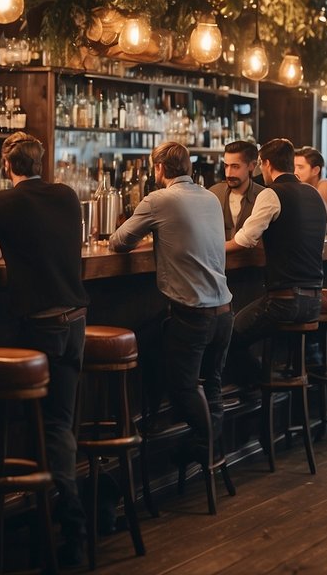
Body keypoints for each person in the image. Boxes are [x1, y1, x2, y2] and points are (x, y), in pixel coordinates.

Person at [0, 131, 90, 562]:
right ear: (40, 163)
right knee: (59, 426)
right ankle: (70, 525)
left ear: (6, 165)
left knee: (35, 423)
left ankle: (41, 514)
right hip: (77, 322)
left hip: (41, 327)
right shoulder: (67, 195)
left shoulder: (2, 203)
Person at [110, 141, 234, 464]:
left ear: (160, 168)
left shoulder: (158, 200)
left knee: (181, 387)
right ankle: (211, 452)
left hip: (193, 315)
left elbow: (118, 242)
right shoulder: (210, 197)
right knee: (213, 384)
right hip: (224, 313)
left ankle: (205, 445)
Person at [223, 138, 327, 385]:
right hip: (315, 302)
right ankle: (272, 391)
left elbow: (245, 240)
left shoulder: (271, 193)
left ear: (266, 164)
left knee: (227, 336)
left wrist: (211, 248)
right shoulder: (314, 194)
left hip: (284, 302)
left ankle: (260, 388)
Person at [210, 139, 265, 241]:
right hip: (218, 251)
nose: (228, 173)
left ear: (252, 166)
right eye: (226, 166)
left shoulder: (263, 196)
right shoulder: (214, 194)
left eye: (235, 167)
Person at [293, 145, 327, 232]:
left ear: (315, 170)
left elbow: (316, 220)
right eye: (294, 167)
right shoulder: (302, 189)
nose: (295, 172)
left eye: (300, 167)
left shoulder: (326, 184)